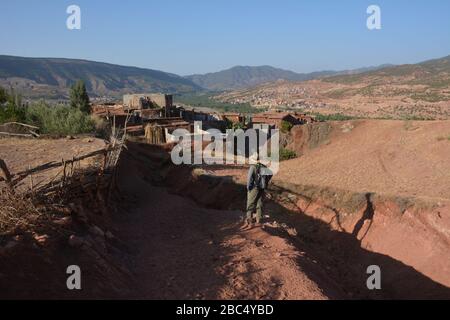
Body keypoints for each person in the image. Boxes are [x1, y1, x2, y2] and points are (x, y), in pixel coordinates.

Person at [242, 157, 273, 229]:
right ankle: (259, 219)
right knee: (260, 203)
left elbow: (249, 178)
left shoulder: (253, 167)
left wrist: (248, 188)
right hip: (262, 187)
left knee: (250, 203)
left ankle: (249, 221)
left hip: (254, 188)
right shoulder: (264, 167)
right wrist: (266, 183)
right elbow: (270, 174)